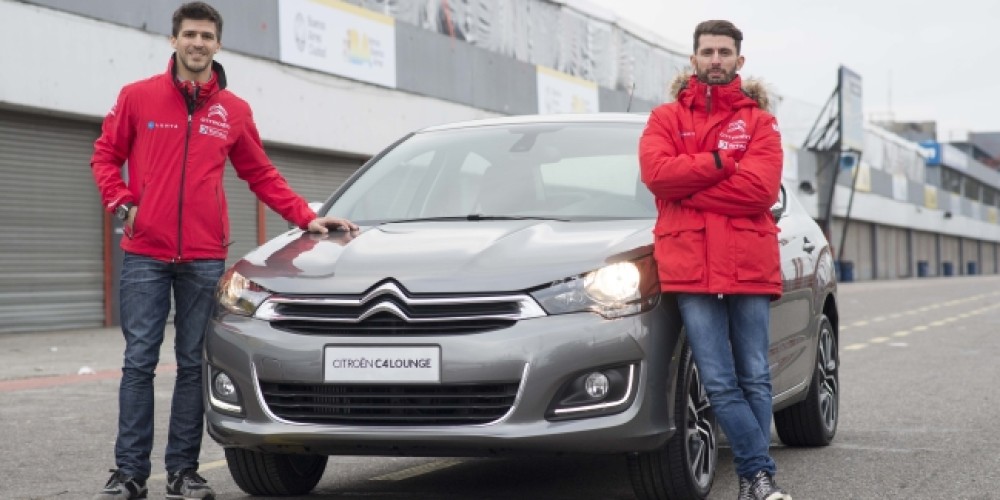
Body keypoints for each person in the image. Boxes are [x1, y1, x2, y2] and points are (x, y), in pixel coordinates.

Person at [89, 3, 357, 499]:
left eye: (206, 36)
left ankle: (183, 473)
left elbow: (260, 173)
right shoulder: (136, 97)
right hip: (145, 252)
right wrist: (123, 204)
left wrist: (305, 216)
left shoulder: (232, 111)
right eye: (189, 34)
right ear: (173, 41)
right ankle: (128, 473)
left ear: (217, 44)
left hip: (203, 256)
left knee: (193, 363)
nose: (197, 43)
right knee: (139, 362)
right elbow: (105, 156)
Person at [638, 20, 790, 500]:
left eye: (725, 52)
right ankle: (758, 476)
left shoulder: (760, 122)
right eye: (708, 51)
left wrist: (691, 189)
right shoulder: (664, 119)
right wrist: (721, 163)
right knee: (719, 381)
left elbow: (760, 190)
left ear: (739, 61)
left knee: (754, 377)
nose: (717, 59)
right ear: (694, 60)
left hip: (748, 264)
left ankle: (754, 479)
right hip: (691, 267)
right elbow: (658, 176)